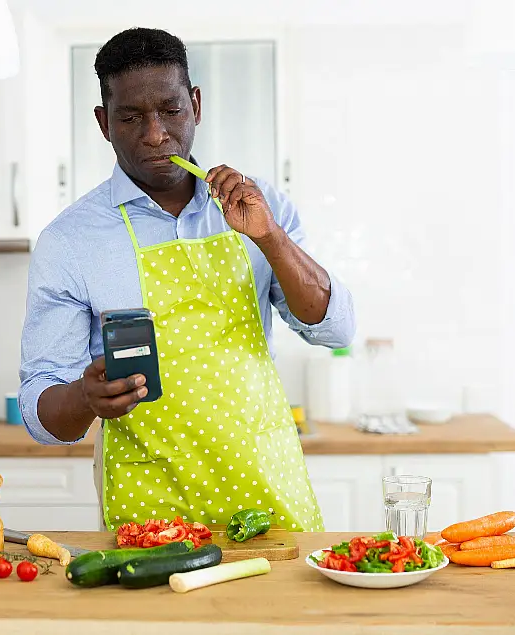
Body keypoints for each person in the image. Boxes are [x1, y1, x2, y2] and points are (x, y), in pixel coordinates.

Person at [19, 27, 356, 532]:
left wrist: (271, 239)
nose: (155, 134)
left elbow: (335, 330)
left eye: (171, 111)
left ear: (195, 104)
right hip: (149, 500)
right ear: (103, 124)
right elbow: (40, 408)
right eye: (131, 117)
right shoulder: (69, 241)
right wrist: (84, 399)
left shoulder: (260, 206)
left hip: (264, 480)